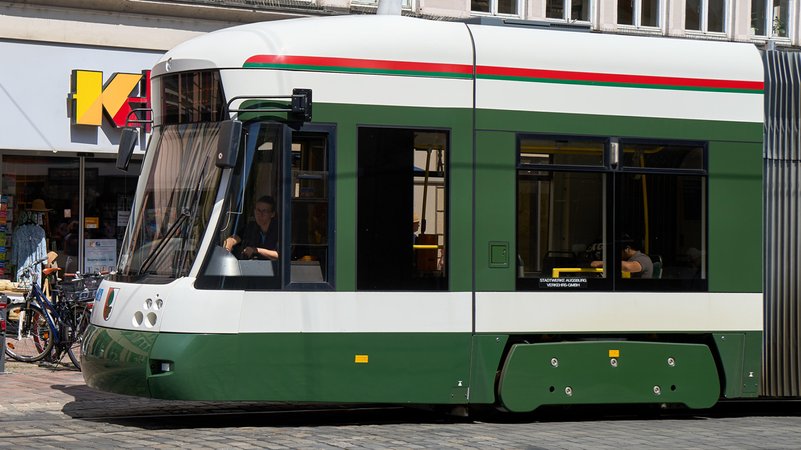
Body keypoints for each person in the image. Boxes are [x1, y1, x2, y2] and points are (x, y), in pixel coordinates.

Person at [224, 195, 279, 260]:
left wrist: (256, 250)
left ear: (272, 214)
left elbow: (279, 255)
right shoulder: (251, 227)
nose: (260, 214)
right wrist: (228, 245)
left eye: (264, 211)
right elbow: (235, 238)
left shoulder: (280, 230)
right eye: (258, 210)